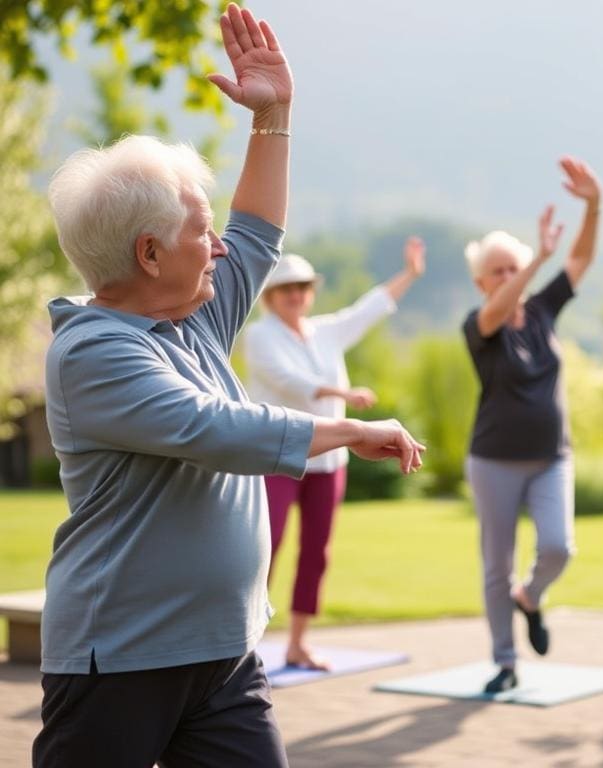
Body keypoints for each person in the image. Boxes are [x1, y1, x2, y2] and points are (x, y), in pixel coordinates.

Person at [33, 5, 423, 767]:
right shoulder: (92, 354)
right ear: (149, 254)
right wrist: (344, 429)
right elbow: (211, 428)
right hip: (118, 660)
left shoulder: (195, 314)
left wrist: (273, 117)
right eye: (197, 233)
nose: (218, 248)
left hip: (224, 654)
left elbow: (256, 233)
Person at [243, 238, 426, 669]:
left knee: (316, 551)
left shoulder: (325, 331)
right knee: (262, 551)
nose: (296, 294)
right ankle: (243, 644)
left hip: (328, 463)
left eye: (304, 287)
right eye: (288, 287)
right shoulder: (259, 335)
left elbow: (371, 307)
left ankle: (298, 644)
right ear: (270, 296)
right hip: (278, 459)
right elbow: (289, 381)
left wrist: (410, 274)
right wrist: (344, 393)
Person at [462, 157, 601, 694]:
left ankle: (532, 597)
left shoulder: (543, 311)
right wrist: (538, 256)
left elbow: (583, 257)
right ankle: (504, 661)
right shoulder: (480, 326)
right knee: (496, 566)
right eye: (495, 271)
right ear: (481, 281)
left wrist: (593, 204)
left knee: (560, 547)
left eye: (511, 267)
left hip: (551, 457)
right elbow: (497, 310)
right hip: (493, 460)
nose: (505, 277)